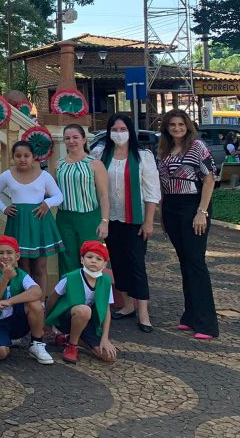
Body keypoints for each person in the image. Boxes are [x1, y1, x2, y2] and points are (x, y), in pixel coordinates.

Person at [89, 113, 160, 333]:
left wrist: (149, 222)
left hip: (135, 219)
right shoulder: (100, 153)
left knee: (136, 264)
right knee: (118, 262)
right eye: (115, 130)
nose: (119, 134)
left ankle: (143, 313)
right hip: (110, 218)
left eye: (123, 129)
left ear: (130, 131)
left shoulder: (142, 156)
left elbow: (151, 191)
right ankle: (128, 305)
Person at [157, 108, 219, 339]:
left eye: (181, 125)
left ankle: (207, 324)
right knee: (184, 262)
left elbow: (209, 179)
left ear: (187, 126)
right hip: (172, 207)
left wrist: (201, 212)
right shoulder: (163, 150)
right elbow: (163, 185)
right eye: (172, 125)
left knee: (195, 263)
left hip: (194, 205)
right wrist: (163, 214)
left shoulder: (197, 147)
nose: (177, 129)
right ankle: (190, 316)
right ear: (167, 127)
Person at [0, 141, 64, 295]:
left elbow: (58, 196)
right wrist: (4, 208)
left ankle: (40, 301)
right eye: (18, 156)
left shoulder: (44, 176)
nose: (22, 159)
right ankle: (25, 302)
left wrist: (47, 203)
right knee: (23, 266)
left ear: (33, 157)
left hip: (40, 222)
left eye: (26, 156)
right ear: (13, 157)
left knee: (40, 266)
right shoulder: (7, 175)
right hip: (18, 223)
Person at [0, 236, 53, 364]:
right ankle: (1, 340)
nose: (5, 256)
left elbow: (37, 291)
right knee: (1, 354)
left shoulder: (21, 274)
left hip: (16, 320)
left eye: (9, 253)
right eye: (0, 253)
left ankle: (37, 343)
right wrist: (5, 277)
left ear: (17, 256)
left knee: (34, 303)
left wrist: (10, 301)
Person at [46, 240, 117, 364]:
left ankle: (69, 338)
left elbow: (106, 310)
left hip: (87, 322)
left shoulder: (105, 282)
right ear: (82, 260)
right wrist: (46, 321)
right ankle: (72, 346)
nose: (93, 260)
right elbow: (52, 298)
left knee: (108, 356)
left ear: (105, 264)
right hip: (66, 318)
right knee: (84, 310)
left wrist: (105, 338)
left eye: (99, 259)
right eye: (89, 257)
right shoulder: (70, 277)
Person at [55, 124, 109, 276]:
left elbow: (104, 195)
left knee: (91, 257)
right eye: (67, 138)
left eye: (75, 137)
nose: (71, 141)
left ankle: (92, 297)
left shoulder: (95, 164)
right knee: (67, 259)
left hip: (89, 217)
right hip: (64, 218)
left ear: (84, 139)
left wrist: (105, 221)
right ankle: (70, 297)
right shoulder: (59, 165)